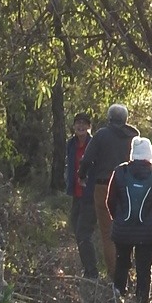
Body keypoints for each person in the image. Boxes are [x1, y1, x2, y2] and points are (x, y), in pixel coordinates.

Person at [79, 104, 140, 281]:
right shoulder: (134, 137)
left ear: (109, 118)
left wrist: (81, 176)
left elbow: (87, 159)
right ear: (125, 119)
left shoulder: (102, 135)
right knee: (128, 230)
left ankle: (116, 277)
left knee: (108, 233)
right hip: (130, 187)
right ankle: (129, 273)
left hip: (104, 187)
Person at [106, 137, 152, 303]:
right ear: (150, 154)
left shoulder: (119, 171)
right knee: (144, 268)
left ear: (133, 153)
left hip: (123, 229)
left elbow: (109, 200)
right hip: (149, 232)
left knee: (122, 262)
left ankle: (118, 296)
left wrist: (117, 218)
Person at [64, 112, 99, 280]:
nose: (80, 126)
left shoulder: (94, 144)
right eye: (78, 123)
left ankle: (92, 273)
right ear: (74, 126)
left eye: (84, 124)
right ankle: (88, 268)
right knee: (77, 231)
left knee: (83, 232)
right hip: (76, 194)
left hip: (90, 195)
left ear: (89, 127)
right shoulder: (70, 144)